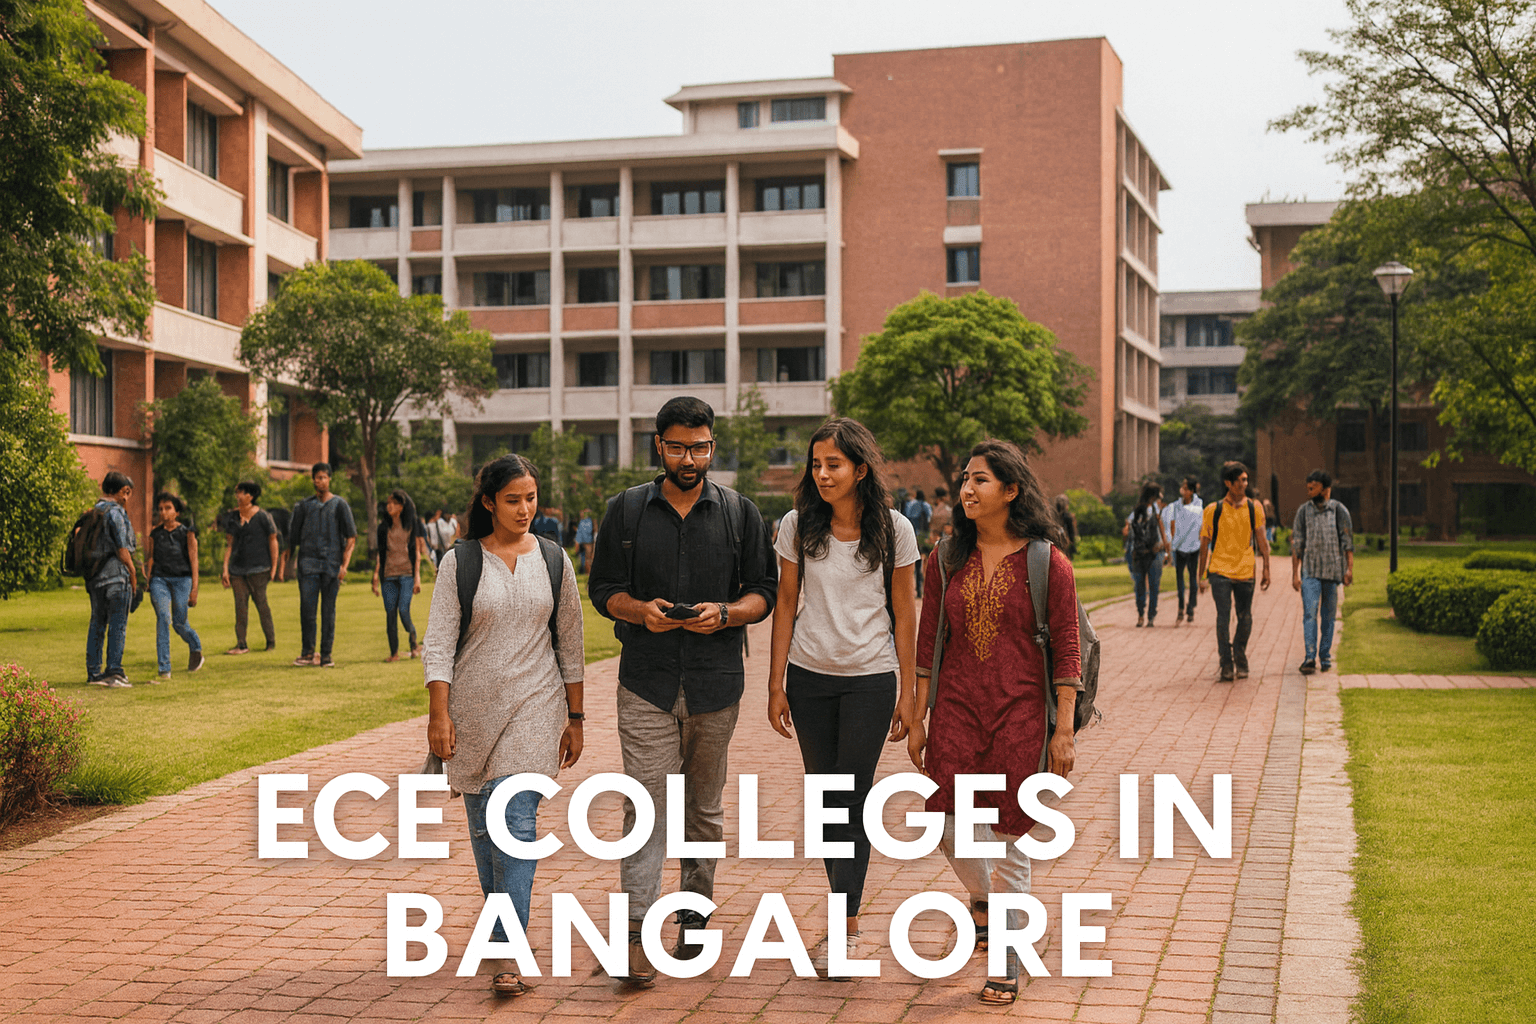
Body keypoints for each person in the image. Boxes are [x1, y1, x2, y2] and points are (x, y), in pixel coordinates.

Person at [587, 396, 777, 986]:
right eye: (677, 446)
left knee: (703, 808)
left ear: (712, 446)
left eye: (699, 447)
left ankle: (693, 918)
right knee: (644, 806)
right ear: (658, 447)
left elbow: (763, 593)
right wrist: (640, 611)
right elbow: (604, 591)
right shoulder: (624, 511)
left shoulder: (740, 513)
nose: (689, 458)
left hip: (716, 685)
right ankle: (637, 935)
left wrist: (726, 612)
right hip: (645, 680)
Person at [911, 438, 1081, 1007]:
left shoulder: (1046, 561)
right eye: (964, 479)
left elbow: (1068, 649)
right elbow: (927, 640)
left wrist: (1063, 731)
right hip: (957, 710)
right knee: (948, 828)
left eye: (980, 480)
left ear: (1011, 490)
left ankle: (1005, 959)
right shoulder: (944, 558)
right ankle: (985, 902)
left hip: (1022, 713)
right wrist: (918, 714)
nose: (966, 488)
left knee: (1010, 838)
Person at [422, 454, 585, 998]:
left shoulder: (555, 560)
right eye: (513, 500)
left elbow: (572, 644)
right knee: (488, 842)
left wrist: (576, 717)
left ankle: (506, 956)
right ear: (489, 501)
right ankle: (502, 941)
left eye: (531, 498)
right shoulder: (460, 562)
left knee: (514, 825)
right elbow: (440, 643)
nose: (524, 509)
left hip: (537, 709)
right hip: (471, 715)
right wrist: (437, 715)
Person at [767, 419, 919, 977]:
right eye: (816, 464)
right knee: (827, 804)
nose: (823, 474)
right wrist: (775, 681)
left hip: (870, 679)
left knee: (852, 802)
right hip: (809, 678)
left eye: (834, 464)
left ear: (860, 468)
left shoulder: (896, 528)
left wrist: (909, 693)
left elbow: (906, 612)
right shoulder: (796, 526)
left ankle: (844, 926)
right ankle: (844, 919)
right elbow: (786, 602)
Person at [1199, 461, 1272, 681]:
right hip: (1219, 570)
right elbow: (1204, 545)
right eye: (1240, 480)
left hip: (1245, 571)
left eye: (1246, 480)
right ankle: (1226, 663)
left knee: (1245, 616)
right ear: (1228, 483)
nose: (1244, 484)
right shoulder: (1213, 510)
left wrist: (1266, 568)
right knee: (1223, 617)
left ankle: (1239, 654)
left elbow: (1262, 540)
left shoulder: (1254, 507)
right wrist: (1201, 576)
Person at [289, 463, 357, 668]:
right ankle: (307, 653)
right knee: (307, 611)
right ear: (313, 480)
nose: (320, 481)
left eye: (324, 477)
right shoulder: (303, 506)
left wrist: (344, 565)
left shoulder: (339, 505)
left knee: (329, 612)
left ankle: (326, 654)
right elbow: (293, 538)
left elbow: (351, 537)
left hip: (331, 565)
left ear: (329, 479)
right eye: (317, 478)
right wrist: (289, 564)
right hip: (308, 564)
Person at [1291, 470, 1354, 674]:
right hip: (1310, 571)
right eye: (1308, 487)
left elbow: (1347, 542)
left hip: (1333, 571)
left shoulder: (1338, 510)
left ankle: (1325, 657)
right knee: (1310, 613)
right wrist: (1295, 573)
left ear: (1326, 489)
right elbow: (1298, 543)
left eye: (1313, 487)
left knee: (1328, 617)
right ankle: (1310, 657)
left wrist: (1349, 569)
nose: (1309, 490)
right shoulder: (1303, 511)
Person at [86, 471, 138, 688]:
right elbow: (122, 549)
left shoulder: (93, 512)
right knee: (118, 624)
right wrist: (133, 574)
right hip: (117, 576)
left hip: (95, 577)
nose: (127, 498)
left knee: (97, 623)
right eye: (126, 492)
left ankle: (94, 673)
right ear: (119, 491)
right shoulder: (115, 512)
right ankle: (114, 671)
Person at [145, 493, 204, 682]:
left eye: (168, 508)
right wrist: (148, 580)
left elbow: (194, 561)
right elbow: (152, 557)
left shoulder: (187, 533)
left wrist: (194, 589)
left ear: (176, 512)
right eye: (161, 509)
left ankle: (195, 647)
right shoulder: (155, 533)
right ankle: (164, 669)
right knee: (163, 617)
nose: (163, 512)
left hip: (182, 580)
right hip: (159, 580)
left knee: (179, 623)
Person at [221, 480, 278, 654]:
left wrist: (274, 567)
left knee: (261, 604)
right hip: (237, 569)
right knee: (240, 606)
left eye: (241, 493)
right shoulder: (233, 518)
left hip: (259, 568)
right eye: (237, 493)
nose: (238, 496)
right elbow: (229, 545)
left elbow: (273, 540)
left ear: (250, 496)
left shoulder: (263, 517)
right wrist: (225, 569)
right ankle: (241, 643)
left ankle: (270, 641)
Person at [372, 489, 429, 662]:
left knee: (403, 609)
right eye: (388, 503)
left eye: (394, 503)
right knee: (390, 614)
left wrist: (417, 577)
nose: (390, 506)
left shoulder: (411, 524)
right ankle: (394, 653)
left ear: (402, 506)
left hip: (407, 574)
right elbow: (381, 553)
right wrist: (376, 575)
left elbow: (417, 552)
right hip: (388, 575)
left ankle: (413, 641)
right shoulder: (383, 527)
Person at [1123, 482, 1169, 626]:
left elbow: (1128, 529)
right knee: (1154, 586)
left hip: (1139, 552)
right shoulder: (1153, 509)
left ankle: (1141, 615)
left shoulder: (1137, 510)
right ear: (1154, 495)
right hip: (1154, 551)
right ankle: (1150, 617)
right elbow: (1161, 528)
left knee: (1140, 586)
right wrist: (1165, 547)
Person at [1162, 477, 1204, 625]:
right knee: (1180, 580)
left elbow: (1199, 525)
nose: (1182, 490)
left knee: (1193, 579)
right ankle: (1181, 607)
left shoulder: (1199, 505)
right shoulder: (1176, 505)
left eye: (1185, 488)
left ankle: (1191, 607)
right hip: (1179, 548)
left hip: (1193, 547)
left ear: (1191, 491)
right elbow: (1172, 525)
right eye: (1182, 488)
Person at [903, 489, 932, 595]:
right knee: (927, 561)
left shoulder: (910, 505)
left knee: (915, 562)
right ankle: (923, 588)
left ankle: (917, 587)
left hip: (911, 535)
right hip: (923, 536)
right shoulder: (926, 505)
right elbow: (929, 519)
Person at [1053, 494, 1079, 560]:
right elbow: (1071, 532)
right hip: (1065, 542)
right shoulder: (1068, 517)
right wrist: (1073, 544)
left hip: (1054, 542)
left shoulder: (1052, 516)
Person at [574, 508, 595, 574]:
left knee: (588, 559)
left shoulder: (583, 523)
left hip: (588, 544)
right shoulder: (588, 522)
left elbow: (579, 537)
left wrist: (576, 549)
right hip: (589, 543)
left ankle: (588, 575)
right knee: (588, 559)